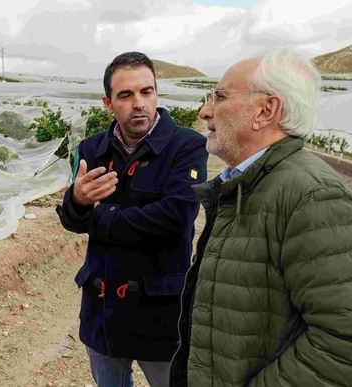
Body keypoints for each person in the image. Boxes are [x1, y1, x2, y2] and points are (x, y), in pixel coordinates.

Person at [170, 49, 352, 386]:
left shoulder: (312, 196)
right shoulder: (249, 183)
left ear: (265, 110)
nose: (205, 111)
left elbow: (349, 343)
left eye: (220, 96)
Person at [56, 51, 208, 387]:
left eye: (146, 92)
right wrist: (78, 201)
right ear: (108, 103)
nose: (138, 103)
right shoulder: (91, 149)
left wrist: (99, 218)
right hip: (102, 312)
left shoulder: (187, 147)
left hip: (160, 313)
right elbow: (71, 219)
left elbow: (176, 216)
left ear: (156, 93)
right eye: (125, 95)